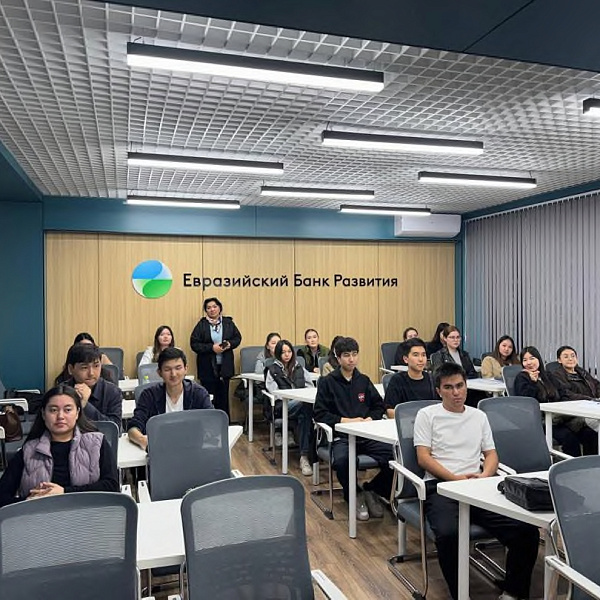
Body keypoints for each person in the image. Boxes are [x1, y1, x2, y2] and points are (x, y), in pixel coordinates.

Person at [414, 362, 539, 600]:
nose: (456, 392)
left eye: (460, 386)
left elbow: (491, 455)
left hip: (477, 486)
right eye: (448, 387)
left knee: (526, 531)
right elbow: (423, 458)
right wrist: (455, 479)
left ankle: (513, 592)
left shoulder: (478, 416)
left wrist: (483, 476)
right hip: (442, 487)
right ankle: (460, 594)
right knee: (449, 534)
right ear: (439, 391)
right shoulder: (427, 415)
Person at [314, 337, 393, 521]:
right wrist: (345, 421)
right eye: (346, 355)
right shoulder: (327, 382)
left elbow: (378, 406)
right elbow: (319, 413)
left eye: (355, 354)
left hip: (367, 435)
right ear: (338, 357)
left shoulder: (363, 380)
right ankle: (354, 494)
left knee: (396, 457)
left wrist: (370, 419)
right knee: (342, 461)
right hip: (342, 436)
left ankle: (373, 489)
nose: (351, 359)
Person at [0, 385, 119, 507]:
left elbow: (112, 487)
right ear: (43, 414)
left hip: (88, 515)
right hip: (40, 516)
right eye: (53, 410)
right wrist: (29, 502)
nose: (60, 416)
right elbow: (2, 497)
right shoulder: (28, 450)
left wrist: (64, 493)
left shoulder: (96, 443)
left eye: (68, 410)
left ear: (77, 413)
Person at [128, 347, 212, 450]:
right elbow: (133, 427)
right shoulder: (149, 395)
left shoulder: (198, 393)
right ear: (159, 372)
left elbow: (212, 423)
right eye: (167, 369)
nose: (173, 374)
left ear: (186, 369)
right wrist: (144, 441)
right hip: (159, 450)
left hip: (192, 449)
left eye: (178, 368)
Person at [265, 340, 314, 476]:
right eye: (283, 352)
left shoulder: (299, 368)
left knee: (305, 413)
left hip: (301, 405)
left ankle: (304, 456)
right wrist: (296, 398)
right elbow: (274, 393)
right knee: (305, 406)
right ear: (278, 354)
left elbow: (310, 386)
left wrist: (301, 397)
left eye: (289, 351)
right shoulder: (272, 370)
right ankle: (309, 456)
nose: (287, 355)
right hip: (283, 407)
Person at [190, 297, 242, 419]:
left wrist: (229, 344)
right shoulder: (201, 325)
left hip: (225, 368)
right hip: (207, 368)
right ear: (205, 311)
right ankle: (208, 424)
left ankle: (225, 423)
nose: (212, 309)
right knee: (208, 398)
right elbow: (194, 344)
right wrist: (211, 348)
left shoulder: (228, 323)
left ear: (220, 308)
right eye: (208, 308)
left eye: (214, 306)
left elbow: (237, 338)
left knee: (223, 398)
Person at [547, 345, 599, 455]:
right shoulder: (556, 375)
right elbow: (566, 394)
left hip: (590, 410)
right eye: (566, 357)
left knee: (592, 435)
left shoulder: (582, 373)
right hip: (573, 415)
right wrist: (590, 400)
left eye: (573, 356)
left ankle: (591, 464)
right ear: (559, 360)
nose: (570, 359)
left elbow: (597, 385)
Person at [63, 343, 122, 428]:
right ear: (71, 369)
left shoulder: (112, 392)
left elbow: (115, 428)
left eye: (96, 366)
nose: (91, 373)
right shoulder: (62, 392)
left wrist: (85, 405)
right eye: (84, 367)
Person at [385, 338, 436, 417]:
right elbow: (389, 411)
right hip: (407, 421)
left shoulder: (433, 380)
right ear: (406, 359)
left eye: (423, 355)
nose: (421, 359)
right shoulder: (397, 380)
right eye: (416, 355)